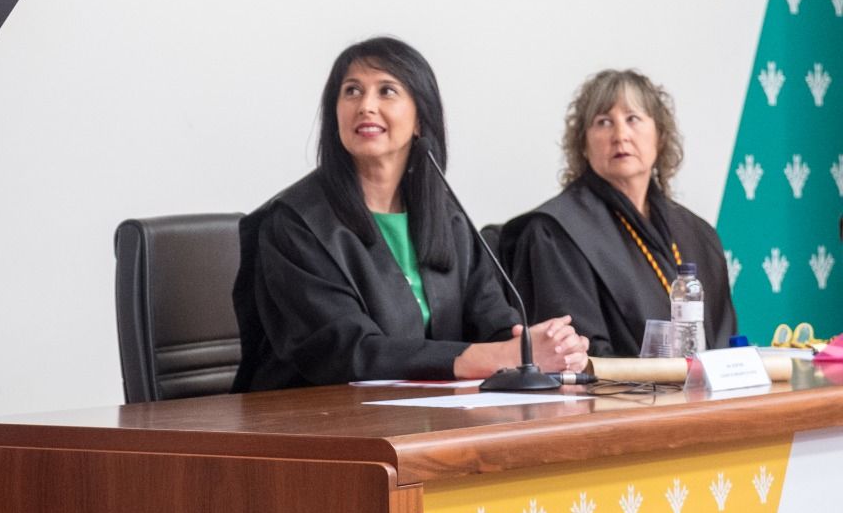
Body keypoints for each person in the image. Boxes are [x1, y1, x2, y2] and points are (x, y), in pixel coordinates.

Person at [231, 36, 588, 390]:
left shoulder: (447, 219)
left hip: (423, 421)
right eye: (352, 91)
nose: (366, 106)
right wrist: (486, 358)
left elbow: (492, 322)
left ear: (420, 119)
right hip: (314, 424)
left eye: (386, 91)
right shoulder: (295, 223)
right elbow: (344, 350)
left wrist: (537, 346)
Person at [501, 69, 737, 357]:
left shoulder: (699, 234)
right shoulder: (556, 232)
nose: (620, 135)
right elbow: (578, 356)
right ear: (583, 146)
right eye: (603, 122)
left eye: (633, 119)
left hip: (703, 400)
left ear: (660, 136)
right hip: (614, 399)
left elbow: (725, 348)